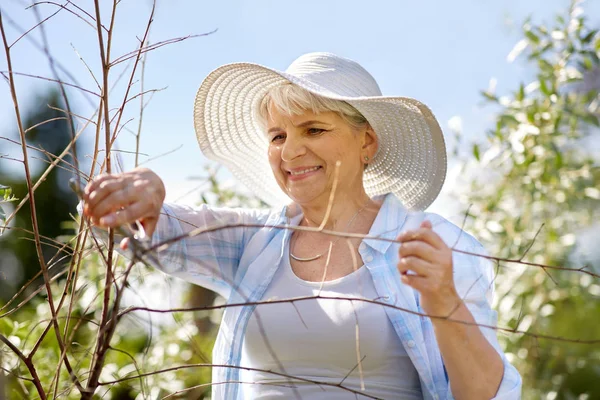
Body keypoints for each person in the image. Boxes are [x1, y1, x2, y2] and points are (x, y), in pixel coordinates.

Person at [82, 52, 522, 399]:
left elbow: (486, 395)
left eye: (313, 130)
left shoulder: (436, 244)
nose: (290, 151)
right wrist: (147, 191)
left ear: (366, 141)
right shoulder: (253, 242)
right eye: (277, 136)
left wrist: (443, 296)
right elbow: (163, 225)